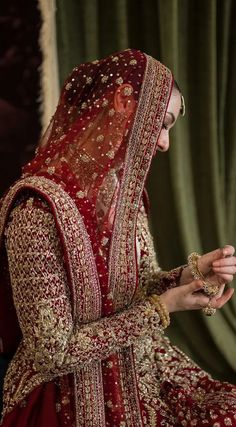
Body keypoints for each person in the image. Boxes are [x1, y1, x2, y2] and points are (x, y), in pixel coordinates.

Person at [0, 48, 235, 427]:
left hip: (139, 368)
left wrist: (188, 277)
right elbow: (52, 353)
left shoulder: (122, 193)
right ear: (124, 103)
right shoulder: (37, 209)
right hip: (63, 396)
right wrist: (162, 308)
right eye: (162, 123)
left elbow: (136, 288)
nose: (164, 143)